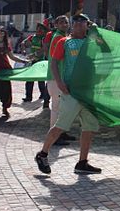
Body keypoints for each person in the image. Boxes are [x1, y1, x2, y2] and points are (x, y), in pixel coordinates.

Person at [34, 14, 102, 175]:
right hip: (71, 91)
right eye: (76, 23)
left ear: (87, 25)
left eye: (82, 23)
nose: (78, 25)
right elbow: (54, 63)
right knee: (61, 125)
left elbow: (106, 49)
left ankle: (82, 162)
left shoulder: (91, 42)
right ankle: (43, 154)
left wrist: (96, 30)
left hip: (88, 92)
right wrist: (59, 82)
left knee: (88, 127)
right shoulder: (64, 42)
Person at [44, 16, 73, 144]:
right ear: (56, 25)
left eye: (66, 22)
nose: (64, 24)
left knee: (62, 108)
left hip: (58, 77)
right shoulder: (58, 38)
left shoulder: (61, 36)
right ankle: (55, 136)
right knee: (56, 107)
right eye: (61, 22)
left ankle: (61, 132)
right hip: (56, 78)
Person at [21, 22, 50, 107]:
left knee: (41, 80)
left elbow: (43, 49)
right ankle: (28, 96)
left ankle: (43, 95)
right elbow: (23, 42)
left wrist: (35, 54)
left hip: (40, 61)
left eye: (41, 29)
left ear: (44, 31)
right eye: (38, 28)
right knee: (29, 80)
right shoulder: (32, 37)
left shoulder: (44, 39)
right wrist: (23, 49)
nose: (39, 30)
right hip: (32, 61)